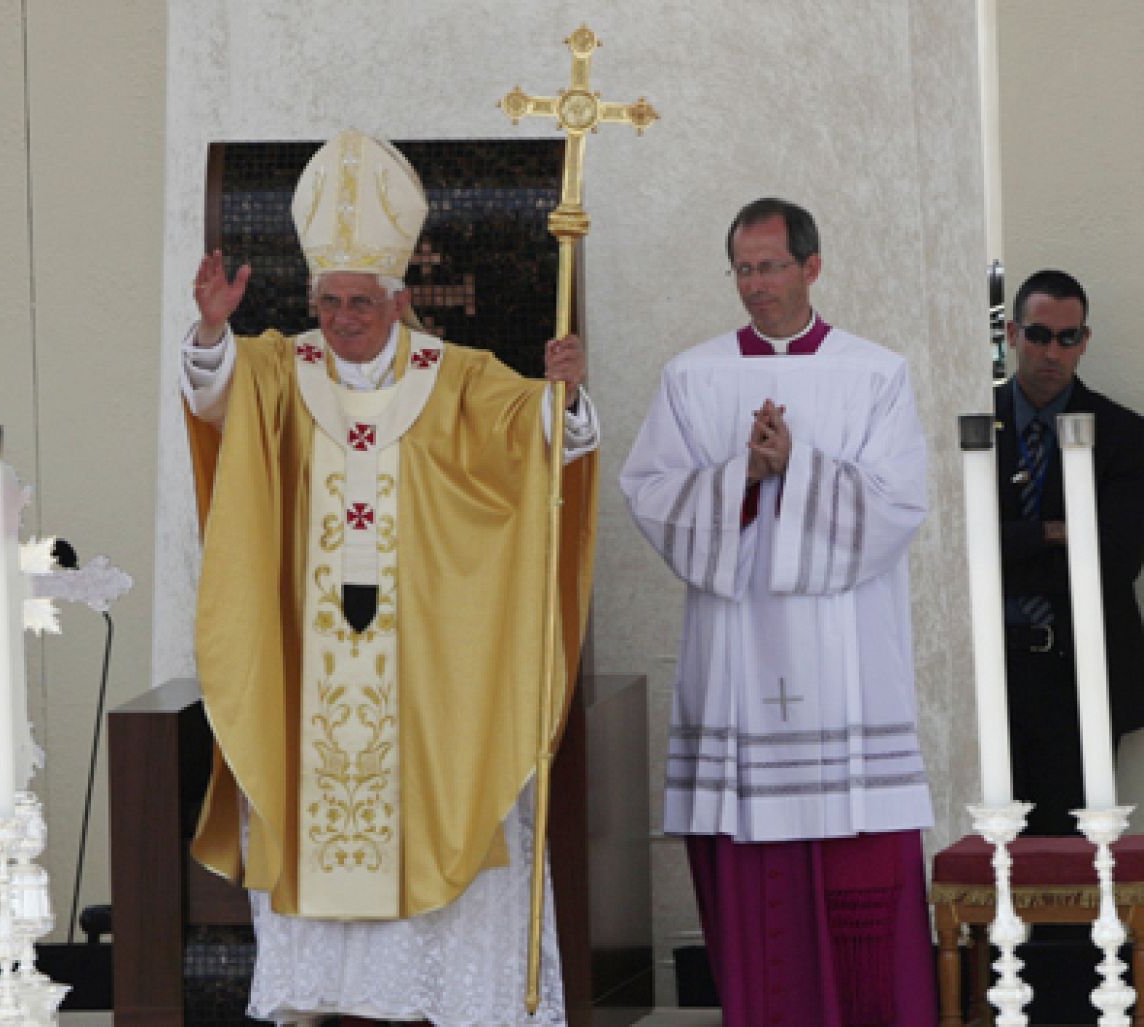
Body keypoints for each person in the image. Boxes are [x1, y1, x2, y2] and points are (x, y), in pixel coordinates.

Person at [181, 129, 600, 1024]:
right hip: (311, 667)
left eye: (360, 301)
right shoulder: (276, 371)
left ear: (399, 297)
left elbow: (539, 439)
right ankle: (327, 999)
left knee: (440, 810)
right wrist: (213, 330)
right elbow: (212, 396)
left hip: (424, 677)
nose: (341, 317)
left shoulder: (456, 378)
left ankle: (438, 1001)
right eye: (328, 299)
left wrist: (563, 396)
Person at [620, 198, 936, 1024]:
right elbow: (650, 493)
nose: (756, 286)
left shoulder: (876, 374)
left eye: (771, 267)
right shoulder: (693, 377)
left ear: (812, 267)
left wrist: (801, 468)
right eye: (744, 270)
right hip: (737, 660)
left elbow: (899, 505)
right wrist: (745, 481)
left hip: (848, 670)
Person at [996, 269, 1144, 836]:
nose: (1050, 351)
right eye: (1037, 334)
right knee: (993, 844)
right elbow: (957, 549)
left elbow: (1116, 556)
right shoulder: (974, 428)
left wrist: (1011, 540)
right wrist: (1054, 532)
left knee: (1074, 853)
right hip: (992, 670)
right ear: (1012, 334)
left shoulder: (1124, 436)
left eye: (1066, 337)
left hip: (1081, 670)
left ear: (1084, 341)